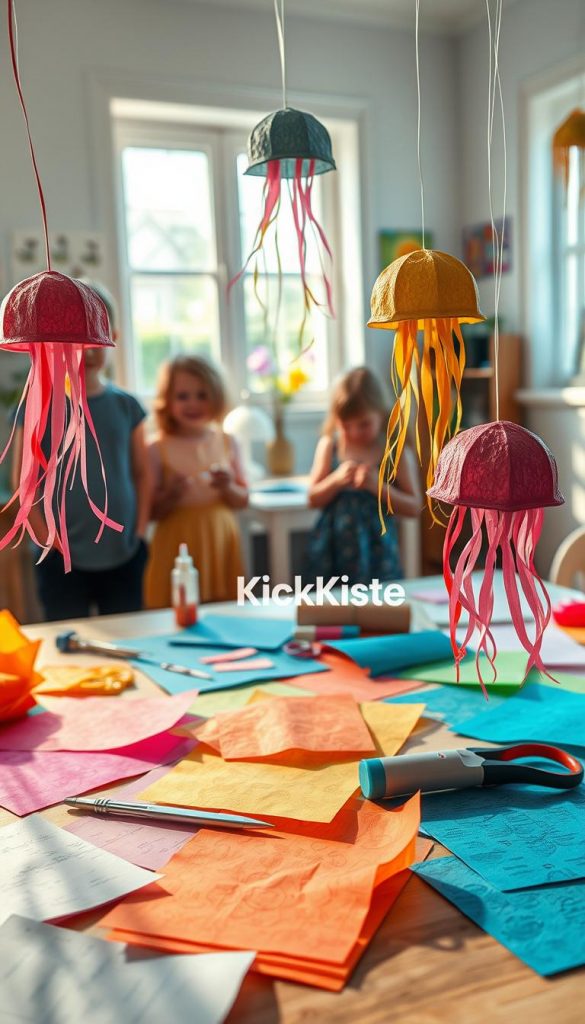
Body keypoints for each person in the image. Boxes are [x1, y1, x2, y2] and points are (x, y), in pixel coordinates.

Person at [11, 281, 152, 620]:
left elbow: (143, 473)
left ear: (113, 336)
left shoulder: (127, 406)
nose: (88, 351)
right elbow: (24, 484)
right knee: (68, 637)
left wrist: (140, 533)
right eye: (77, 340)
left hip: (124, 554)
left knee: (126, 633)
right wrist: (47, 542)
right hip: (60, 561)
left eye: (96, 338)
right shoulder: (38, 408)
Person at [145, 355, 248, 606]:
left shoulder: (228, 442)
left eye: (202, 395)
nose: (193, 404)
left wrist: (228, 486)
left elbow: (243, 500)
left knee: (224, 610)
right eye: (183, 396)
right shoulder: (156, 448)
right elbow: (151, 512)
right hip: (175, 541)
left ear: (217, 397)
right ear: (167, 401)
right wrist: (171, 494)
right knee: (175, 610)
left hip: (220, 540)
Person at [305, 366, 422, 584]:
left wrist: (378, 487)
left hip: (378, 554)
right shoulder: (330, 446)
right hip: (332, 552)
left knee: (379, 601)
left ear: (381, 414)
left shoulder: (394, 451)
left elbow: (414, 507)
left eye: (364, 424)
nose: (354, 432)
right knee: (332, 602)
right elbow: (312, 499)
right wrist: (336, 481)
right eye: (345, 425)